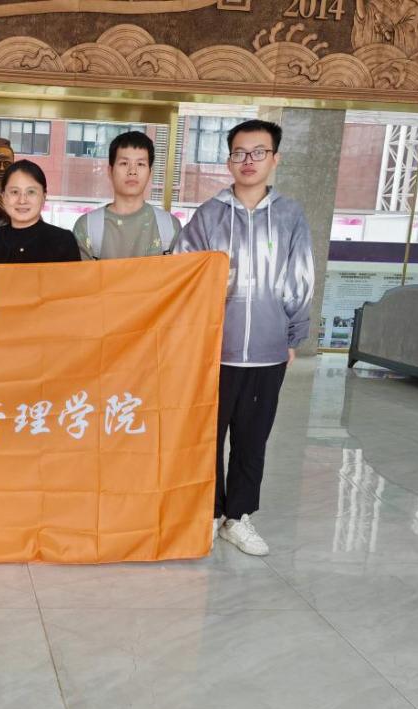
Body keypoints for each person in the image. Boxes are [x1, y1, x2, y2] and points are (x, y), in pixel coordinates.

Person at [175, 119, 314, 557]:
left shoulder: (289, 215)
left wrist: (293, 335)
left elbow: (300, 276)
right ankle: (209, 512)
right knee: (207, 438)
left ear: (275, 158)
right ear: (228, 160)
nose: (248, 161)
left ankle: (238, 517)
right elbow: (184, 271)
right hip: (215, 351)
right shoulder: (209, 214)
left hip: (268, 352)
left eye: (258, 152)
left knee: (252, 440)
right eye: (239, 152)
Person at [73, 130, 181, 260]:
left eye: (140, 164)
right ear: (110, 171)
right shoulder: (86, 227)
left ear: (150, 173)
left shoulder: (170, 227)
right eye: (124, 163)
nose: (132, 171)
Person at [0, 160, 80, 264]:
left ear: (43, 197)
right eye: (15, 192)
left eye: (31, 192)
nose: (22, 200)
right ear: (3, 197)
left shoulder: (63, 241)